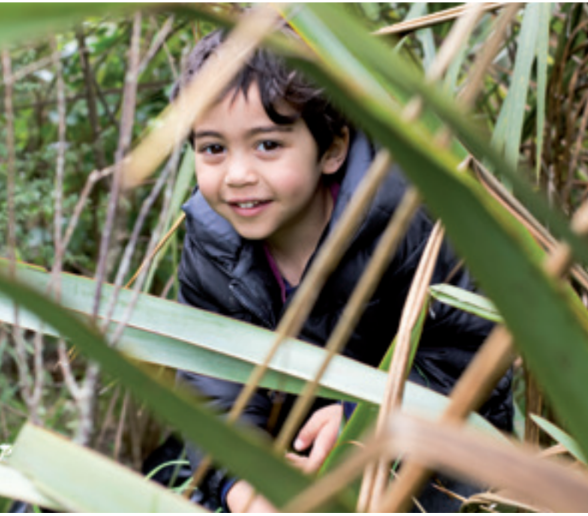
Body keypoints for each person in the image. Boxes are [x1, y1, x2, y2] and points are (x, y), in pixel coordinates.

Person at [164, 27, 512, 512]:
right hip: (295, 452)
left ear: (332, 150)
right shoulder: (210, 244)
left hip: (429, 447)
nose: (237, 175)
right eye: (213, 149)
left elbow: (473, 356)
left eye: (267, 145)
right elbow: (212, 389)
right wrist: (246, 488)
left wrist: (362, 419)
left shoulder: (407, 220)